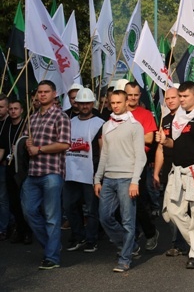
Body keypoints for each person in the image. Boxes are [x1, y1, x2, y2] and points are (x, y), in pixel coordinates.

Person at [157, 81, 194, 269]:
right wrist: (165, 140)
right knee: (173, 211)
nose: (182, 100)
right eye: (180, 96)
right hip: (177, 170)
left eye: (185, 96)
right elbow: (175, 145)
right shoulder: (176, 118)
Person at [21, 80, 71, 270]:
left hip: (52, 172)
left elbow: (65, 144)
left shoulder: (60, 117)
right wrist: (27, 144)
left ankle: (52, 257)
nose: (42, 95)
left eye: (46, 92)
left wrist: (39, 149)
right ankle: (52, 246)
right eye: (39, 92)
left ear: (54, 94)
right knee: (28, 212)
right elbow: (28, 141)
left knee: (52, 216)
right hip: (33, 172)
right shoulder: (32, 118)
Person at [94, 90, 146, 272]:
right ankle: (129, 246)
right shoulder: (107, 125)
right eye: (112, 102)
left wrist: (135, 181)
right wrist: (97, 178)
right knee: (105, 217)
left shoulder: (135, 126)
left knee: (127, 221)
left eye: (119, 102)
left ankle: (125, 258)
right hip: (108, 179)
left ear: (126, 103)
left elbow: (141, 156)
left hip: (127, 179)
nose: (115, 105)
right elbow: (104, 154)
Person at [64, 88, 104, 253]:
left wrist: (100, 174)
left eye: (88, 103)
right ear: (76, 104)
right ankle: (78, 236)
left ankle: (91, 239)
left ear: (92, 103)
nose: (85, 106)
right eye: (82, 103)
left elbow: (103, 150)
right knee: (70, 206)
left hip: (91, 172)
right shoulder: (70, 121)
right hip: (71, 171)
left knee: (92, 209)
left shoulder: (100, 122)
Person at [153, 87, 189, 257]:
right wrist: (156, 172)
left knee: (184, 209)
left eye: (173, 97)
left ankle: (191, 241)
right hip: (169, 171)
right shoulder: (164, 120)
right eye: (167, 98)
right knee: (169, 210)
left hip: (186, 168)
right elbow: (160, 149)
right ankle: (177, 241)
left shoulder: (188, 117)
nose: (170, 101)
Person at [124, 81, 160, 251]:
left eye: (135, 94)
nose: (132, 98)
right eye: (129, 94)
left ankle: (151, 232)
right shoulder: (117, 113)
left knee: (138, 201)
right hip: (119, 163)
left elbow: (149, 139)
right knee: (119, 203)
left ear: (140, 95)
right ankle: (132, 236)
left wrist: (126, 138)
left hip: (139, 162)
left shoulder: (145, 114)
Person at [3, 100, 32, 244]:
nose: (13, 111)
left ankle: (28, 232)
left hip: (22, 169)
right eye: (11, 109)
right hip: (9, 168)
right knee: (13, 202)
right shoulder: (6, 126)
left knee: (25, 202)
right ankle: (19, 230)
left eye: (16, 109)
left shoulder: (26, 126)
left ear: (21, 110)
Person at [0, 94, 9, 241]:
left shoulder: (10, 123)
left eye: (1, 107)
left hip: (6, 165)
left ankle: (4, 227)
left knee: (3, 198)